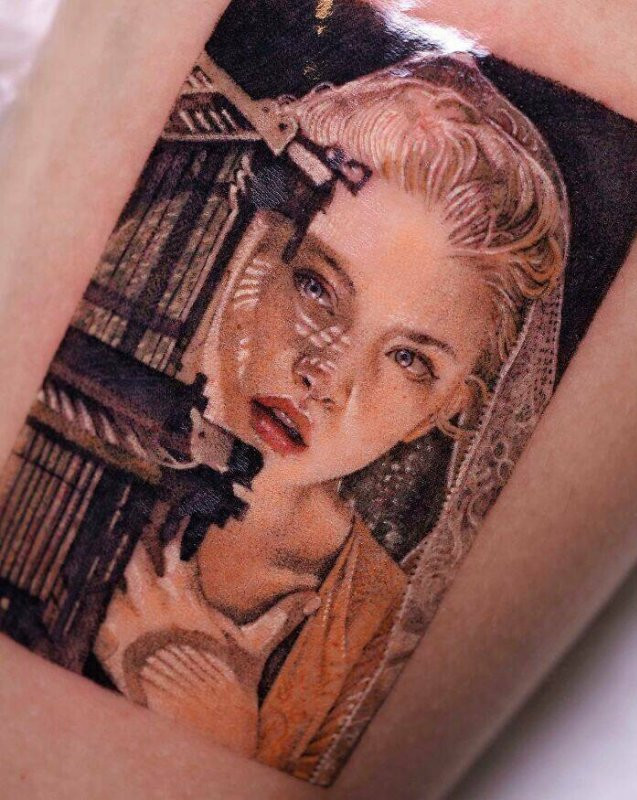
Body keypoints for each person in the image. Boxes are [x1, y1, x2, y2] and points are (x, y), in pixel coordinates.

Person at [94, 51, 569, 782]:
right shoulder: (75, 404)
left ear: (441, 413)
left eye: (409, 359)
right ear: (249, 239)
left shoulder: (384, 637)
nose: (326, 377)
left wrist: (219, 745)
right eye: (316, 285)